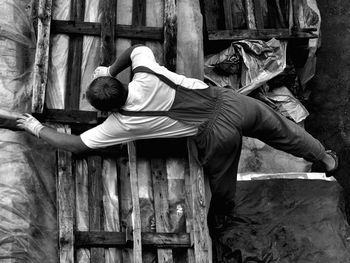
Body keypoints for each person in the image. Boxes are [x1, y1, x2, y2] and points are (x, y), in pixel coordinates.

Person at [17, 44, 338, 236]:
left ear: (108, 108)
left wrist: (34, 127)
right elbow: (133, 52)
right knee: (283, 130)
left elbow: (75, 145)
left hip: (216, 134)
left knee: (221, 181)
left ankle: (223, 218)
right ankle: (325, 158)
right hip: (230, 101)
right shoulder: (144, 71)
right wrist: (110, 69)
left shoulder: (120, 124)